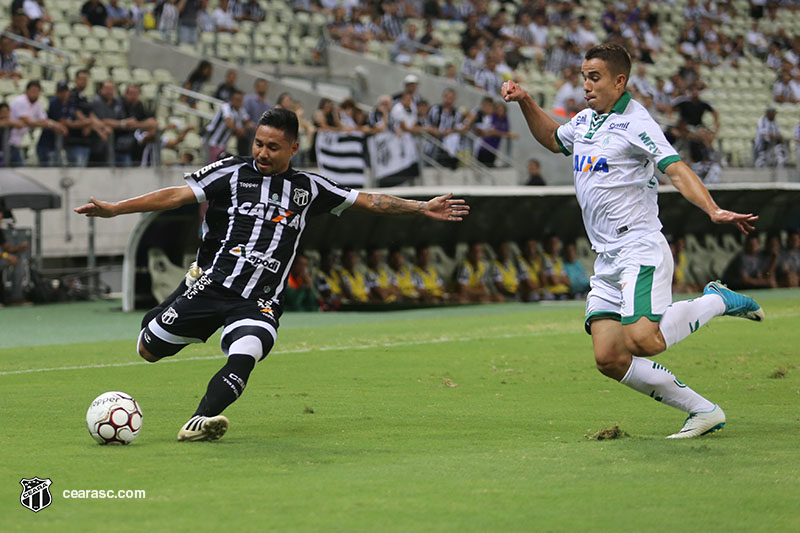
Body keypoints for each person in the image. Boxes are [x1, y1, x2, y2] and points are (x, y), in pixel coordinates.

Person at [75, 108, 469, 442]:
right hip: (212, 285)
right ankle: (183, 291)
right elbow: (176, 195)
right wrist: (116, 208)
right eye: (259, 144)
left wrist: (421, 208)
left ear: (293, 148)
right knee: (148, 349)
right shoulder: (230, 173)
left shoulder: (309, 188)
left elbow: (370, 201)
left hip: (259, 299)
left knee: (248, 350)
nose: (262, 153)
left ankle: (200, 420)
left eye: (273, 147)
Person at [502, 43, 764, 439]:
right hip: (606, 257)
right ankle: (703, 411)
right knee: (608, 357)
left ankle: (717, 300)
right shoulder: (586, 120)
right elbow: (554, 139)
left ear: (619, 80)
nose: (586, 85)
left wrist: (712, 209)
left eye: (595, 77)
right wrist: (524, 101)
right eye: (584, 77)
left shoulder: (637, 122)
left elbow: (675, 168)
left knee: (643, 340)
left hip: (639, 247)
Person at [9, 80, 68, 166]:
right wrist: (51, 125)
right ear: (26, 91)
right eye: (33, 91)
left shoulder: (36, 104)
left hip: (15, 143)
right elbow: (28, 122)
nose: (35, 94)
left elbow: (44, 119)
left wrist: (58, 125)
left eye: (37, 91)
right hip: (6, 142)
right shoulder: (20, 101)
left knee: (17, 168)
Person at [204, 89, 251, 162]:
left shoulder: (240, 110)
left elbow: (248, 123)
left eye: (241, 100)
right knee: (209, 167)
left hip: (222, 144)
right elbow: (229, 123)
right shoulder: (225, 106)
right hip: (212, 141)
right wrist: (240, 129)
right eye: (237, 100)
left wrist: (244, 129)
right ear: (231, 100)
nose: (239, 102)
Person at [0, 206, 30, 305]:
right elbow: (4, 253)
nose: (1, 216)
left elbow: (7, 248)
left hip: (2, 258)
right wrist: (7, 256)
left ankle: (16, 297)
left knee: (19, 262)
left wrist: (19, 248)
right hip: (2, 257)